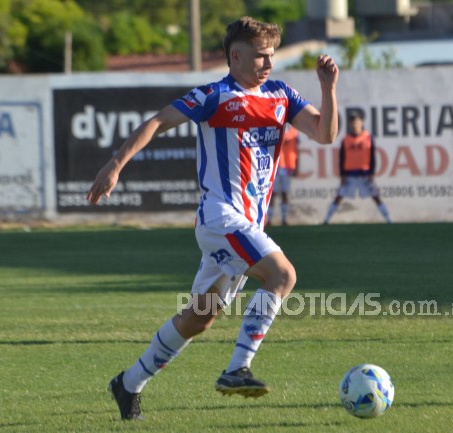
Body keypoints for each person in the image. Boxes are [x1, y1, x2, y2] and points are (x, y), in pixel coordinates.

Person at [86, 16, 339, 420]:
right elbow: (157, 121)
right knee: (283, 275)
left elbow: (325, 134)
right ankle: (237, 369)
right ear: (235, 56)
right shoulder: (214, 96)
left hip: (246, 227)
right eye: (260, 56)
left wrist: (328, 88)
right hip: (221, 218)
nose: (268, 64)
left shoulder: (281, 95)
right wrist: (115, 164)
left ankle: (128, 382)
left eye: (272, 56)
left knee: (198, 319)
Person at [323, 111, 392, 224]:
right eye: (352, 121)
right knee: (339, 197)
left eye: (357, 121)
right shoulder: (346, 140)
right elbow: (342, 158)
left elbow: (372, 156)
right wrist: (342, 175)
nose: (355, 123)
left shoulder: (368, 137)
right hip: (349, 174)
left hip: (365, 173)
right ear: (350, 124)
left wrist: (371, 173)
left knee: (376, 196)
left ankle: (389, 219)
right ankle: (326, 220)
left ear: (361, 122)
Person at [267, 124, 299, 225]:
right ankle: (269, 220)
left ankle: (284, 219)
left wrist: (297, 166)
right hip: (276, 166)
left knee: (285, 194)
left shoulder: (294, 131)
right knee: (273, 194)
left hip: (288, 167)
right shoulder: (276, 127)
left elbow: (297, 150)